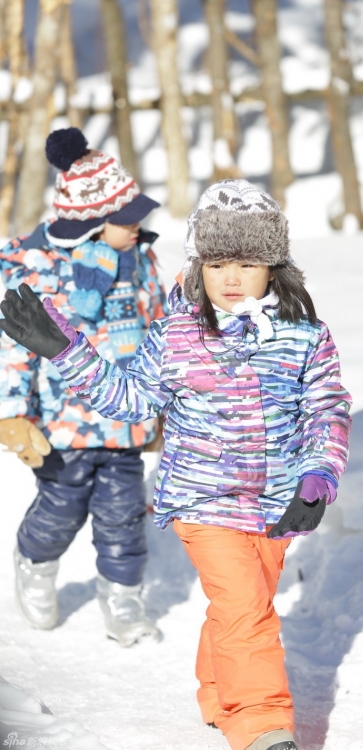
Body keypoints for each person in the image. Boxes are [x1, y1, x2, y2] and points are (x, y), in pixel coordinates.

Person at [0, 179, 352, 750]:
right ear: (198, 268)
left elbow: (326, 407)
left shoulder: (305, 336)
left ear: (274, 265)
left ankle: (218, 694)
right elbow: (130, 400)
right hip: (202, 500)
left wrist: (318, 474)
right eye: (216, 264)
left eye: (245, 262)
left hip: (278, 503)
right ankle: (262, 725)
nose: (230, 278)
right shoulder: (176, 335)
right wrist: (66, 350)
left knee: (244, 604)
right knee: (246, 609)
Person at [0, 127, 168, 647]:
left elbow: (160, 330)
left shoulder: (139, 263)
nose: (138, 228)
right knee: (61, 508)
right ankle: (35, 560)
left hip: (122, 423)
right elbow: (14, 347)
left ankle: (123, 597)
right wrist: (12, 411)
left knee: (122, 516)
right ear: (94, 224)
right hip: (60, 426)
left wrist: (165, 405)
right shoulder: (41, 271)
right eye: (127, 221)